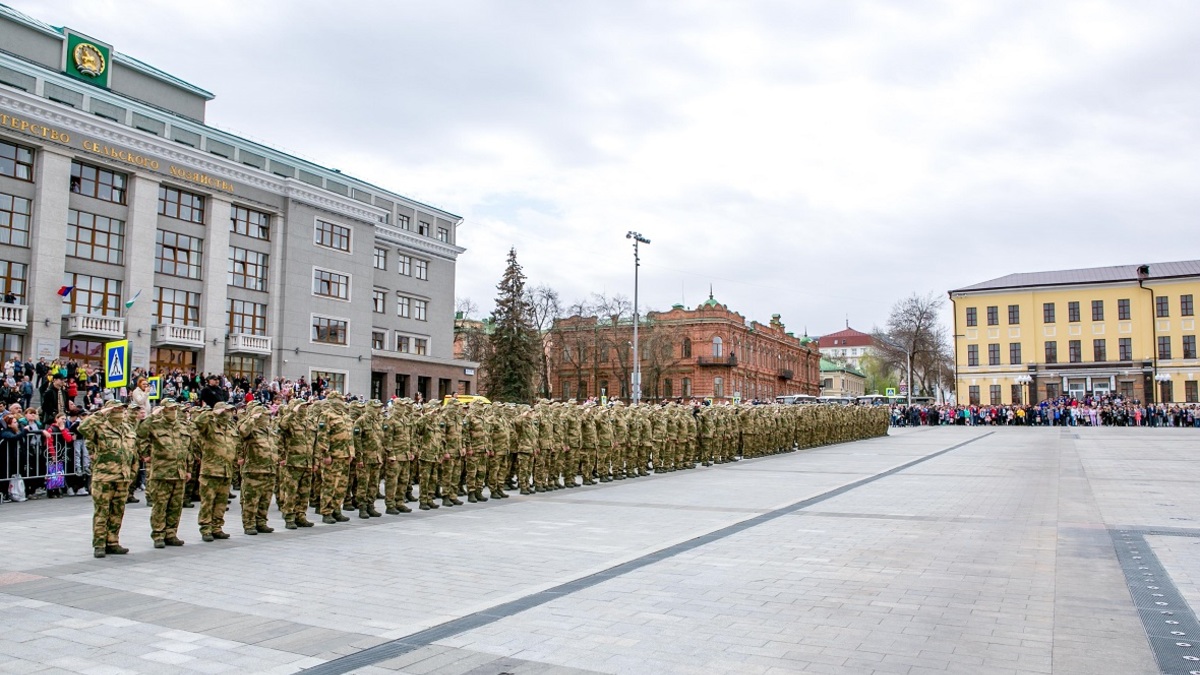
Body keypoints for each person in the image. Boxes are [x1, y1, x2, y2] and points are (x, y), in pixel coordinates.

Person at [77, 401, 138, 558]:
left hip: (122, 477)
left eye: (121, 409)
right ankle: (99, 544)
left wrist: (132, 474)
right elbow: (82, 428)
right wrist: (101, 413)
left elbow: (132, 452)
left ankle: (113, 542)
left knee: (118, 511)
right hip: (104, 477)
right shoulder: (100, 426)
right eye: (115, 409)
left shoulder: (127, 427)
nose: (119, 412)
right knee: (102, 511)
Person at [136, 400, 191, 548]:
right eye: (169, 409)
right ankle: (159, 535)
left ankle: (171, 533)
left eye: (175, 408)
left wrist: (188, 469)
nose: (173, 411)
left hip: (179, 472)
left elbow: (187, 449)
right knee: (160, 505)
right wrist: (152, 415)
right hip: (162, 472)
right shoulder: (155, 424)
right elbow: (140, 433)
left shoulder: (181, 427)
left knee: (175, 506)